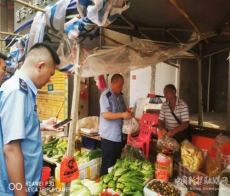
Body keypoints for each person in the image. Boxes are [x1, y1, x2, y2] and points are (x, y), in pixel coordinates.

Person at [0, 42, 61, 196]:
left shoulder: (23, 90)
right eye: (51, 74)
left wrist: (43, 125)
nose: (50, 80)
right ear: (40, 66)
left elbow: (19, 127)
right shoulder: (17, 92)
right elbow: (12, 149)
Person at [99, 74, 132, 176]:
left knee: (115, 165)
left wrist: (127, 111)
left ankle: (110, 190)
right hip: (108, 137)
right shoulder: (106, 96)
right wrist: (122, 114)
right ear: (113, 84)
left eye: (122, 86)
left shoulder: (121, 96)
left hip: (118, 136)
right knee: (107, 165)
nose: (121, 88)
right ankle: (103, 189)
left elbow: (123, 109)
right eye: (120, 86)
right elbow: (106, 114)